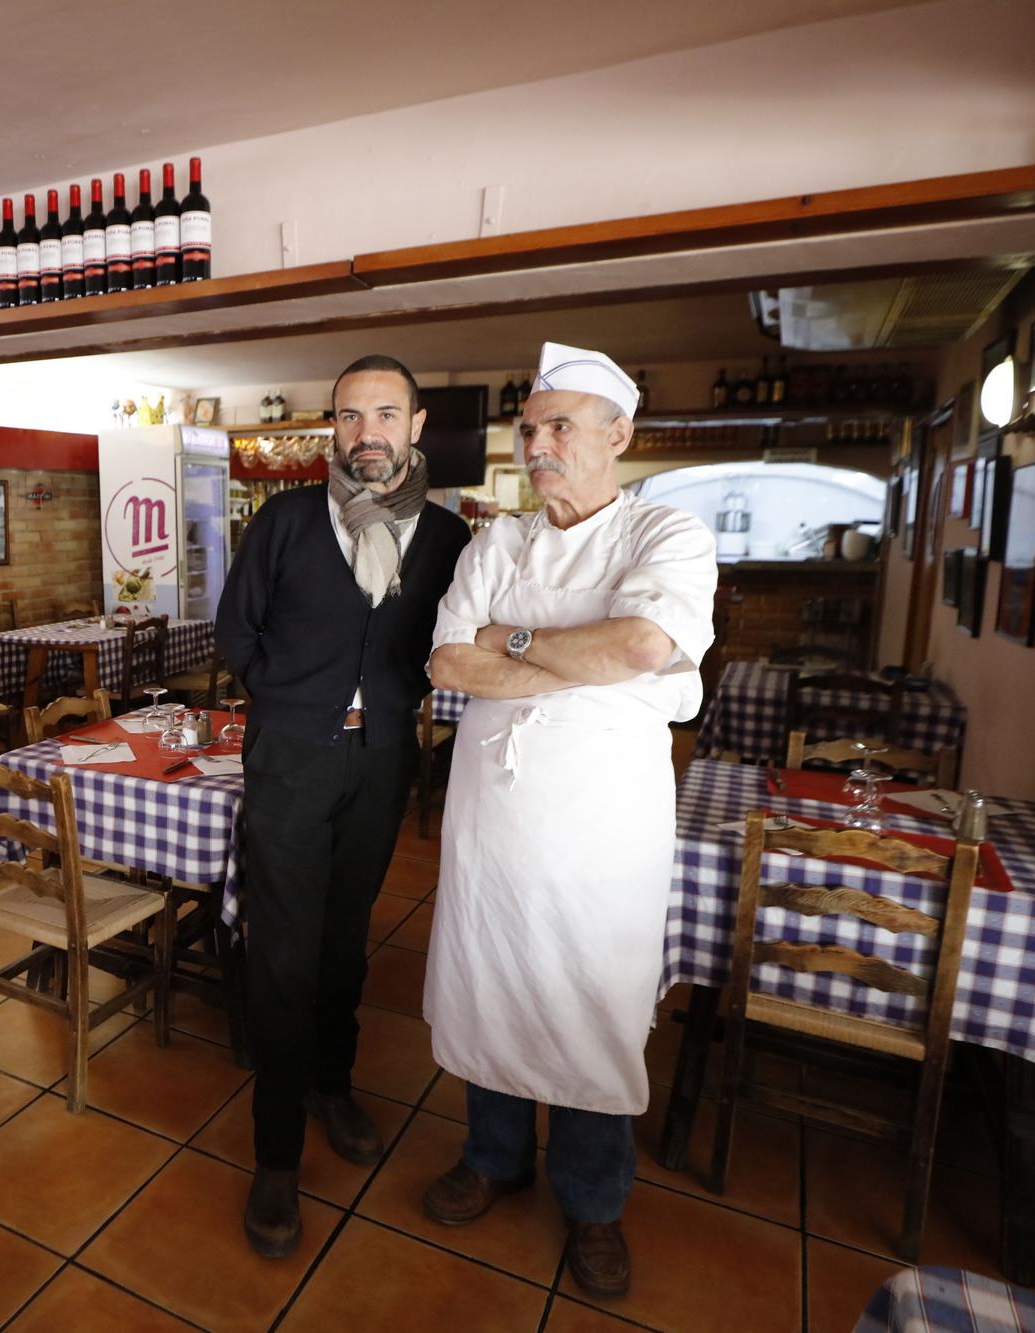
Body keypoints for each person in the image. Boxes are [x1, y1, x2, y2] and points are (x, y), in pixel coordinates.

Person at [421, 341, 717, 1298]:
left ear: (618, 434)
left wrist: (513, 642)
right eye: (531, 426)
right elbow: (448, 664)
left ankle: (592, 1201)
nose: (538, 442)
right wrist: (576, 663)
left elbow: (641, 639)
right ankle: (493, 1154)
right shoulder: (495, 543)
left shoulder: (665, 535)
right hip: (492, 823)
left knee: (593, 1001)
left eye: (560, 425)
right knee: (490, 980)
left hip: (603, 834)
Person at [216, 354, 471, 1258]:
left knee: (345, 941)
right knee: (282, 956)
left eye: (386, 413)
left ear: (416, 423)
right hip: (289, 760)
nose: (369, 431)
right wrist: (290, 699)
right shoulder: (285, 520)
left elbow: (457, 640)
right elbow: (234, 631)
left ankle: (333, 1082)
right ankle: (276, 1156)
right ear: (334, 426)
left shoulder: (444, 537)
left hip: (380, 761)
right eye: (352, 415)